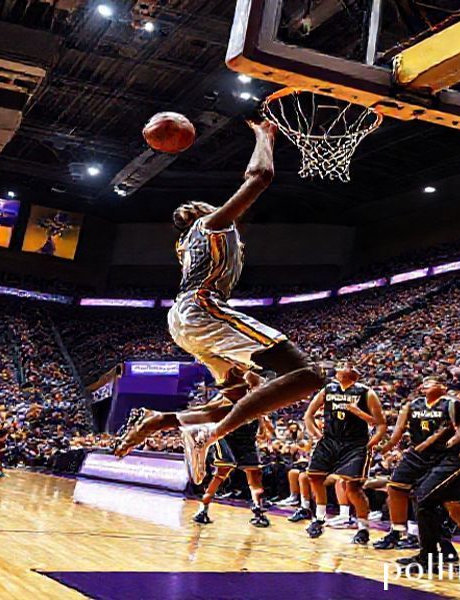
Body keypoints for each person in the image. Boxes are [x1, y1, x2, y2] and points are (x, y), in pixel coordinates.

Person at [113, 120, 325, 483]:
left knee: (237, 394)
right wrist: (265, 137)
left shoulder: (185, 245)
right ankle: (209, 434)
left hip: (184, 319)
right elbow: (259, 177)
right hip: (203, 308)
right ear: (202, 212)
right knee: (308, 376)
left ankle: (165, 420)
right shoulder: (211, 225)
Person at [375, 376, 460, 571]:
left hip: (450, 456)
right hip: (422, 454)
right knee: (398, 487)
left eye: (432, 382)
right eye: (425, 382)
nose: (426, 384)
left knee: (433, 500)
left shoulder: (451, 403)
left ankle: (434, 553)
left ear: (443, 387)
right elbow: (397, 432)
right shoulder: (412, 405)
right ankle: (400, 533)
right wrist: (381, 447)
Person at [301, 363, 386, 544]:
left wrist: (359, 415)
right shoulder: (328, 389)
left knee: (353, 488)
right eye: (340, 366)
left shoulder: (366, 393)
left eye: (345, 366)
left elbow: (380, 424)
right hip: (330, 440)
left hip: (354, 444)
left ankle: (363, 528)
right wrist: (317, 435)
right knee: (314, 476)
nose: (341, 368)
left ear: (353, 373)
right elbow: (308, 415)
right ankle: (319, 518)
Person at [194, 372, 272, 528]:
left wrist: (263, 427)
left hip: (247, 438)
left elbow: (260, 414)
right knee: (222, 472)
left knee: (255, 474)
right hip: (228, 437)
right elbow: (206, 413)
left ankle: (258, 510)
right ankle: (203, 508)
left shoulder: (254, 397)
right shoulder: (222, 399)